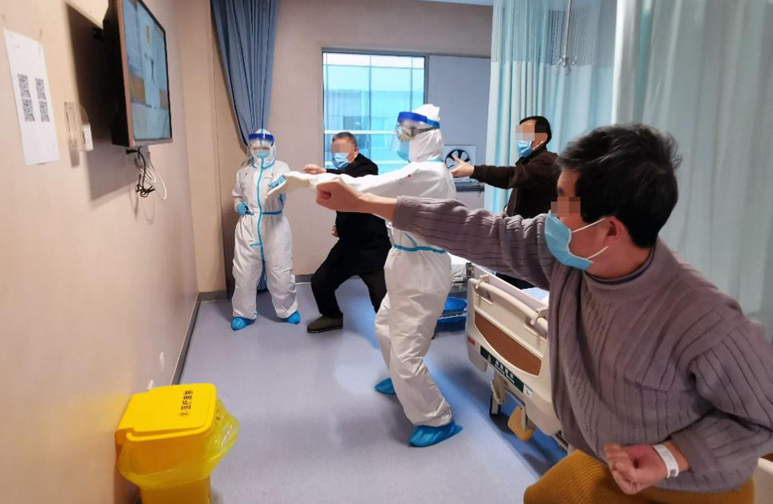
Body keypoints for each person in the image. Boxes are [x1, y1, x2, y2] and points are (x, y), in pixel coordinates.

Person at [310, 124, 773, 502]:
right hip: (607, 456)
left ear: (610, 229)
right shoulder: (568, 258)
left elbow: (761, 419)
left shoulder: (704, 320)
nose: (551, 213)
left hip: (691, 486)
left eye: (564, 202)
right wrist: (364, 202)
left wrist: (670, 456)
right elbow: (482, 230)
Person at [269, 105, 463, 447]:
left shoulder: (431, 172)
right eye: (400, 130)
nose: (400, 138)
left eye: (408, 132)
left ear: (428, 136)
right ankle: (402, 382)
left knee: (406, 352)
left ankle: (437, 418)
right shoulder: (419, 170)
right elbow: (376, 188)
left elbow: (374, 185)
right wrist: (325, 175)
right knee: (385, 326)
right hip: (403, 262)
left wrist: (315, 180)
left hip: (422, 271)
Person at [452, 115, 559, 289]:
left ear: (542, 138)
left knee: (523, 294)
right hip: (518, 241)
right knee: (503, 289)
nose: (521, 139)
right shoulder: (529, 163)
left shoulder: (547, 162)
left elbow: (510, 176)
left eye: (526, 133)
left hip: (531, 246)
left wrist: (473, 170)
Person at [301, 132, 390, 333]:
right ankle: (332, 316)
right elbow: (345, 197)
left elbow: (353, 183)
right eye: (334, 151)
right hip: (348, 245)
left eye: (342, 150)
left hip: (372, 246)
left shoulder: (368, 168)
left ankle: (397, 331)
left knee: (382, 297)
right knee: (320, 282)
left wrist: (324, 172)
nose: (337, 155)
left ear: (355, 151)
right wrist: (340, 226)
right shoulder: (344, 171)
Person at [231, 128, 300, 331]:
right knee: (243, 274)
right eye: (256, 148)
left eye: (264, 147)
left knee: (281, 273)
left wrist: (282, 184)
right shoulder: (243, 171)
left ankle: (288, 309)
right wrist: (238, 205)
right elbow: (237, 195)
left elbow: (289, 183)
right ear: (251, 149)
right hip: (248, 226)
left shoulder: (281, 167)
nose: (260, 151)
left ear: (272, 147)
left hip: (275, 226)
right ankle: (242, 313)